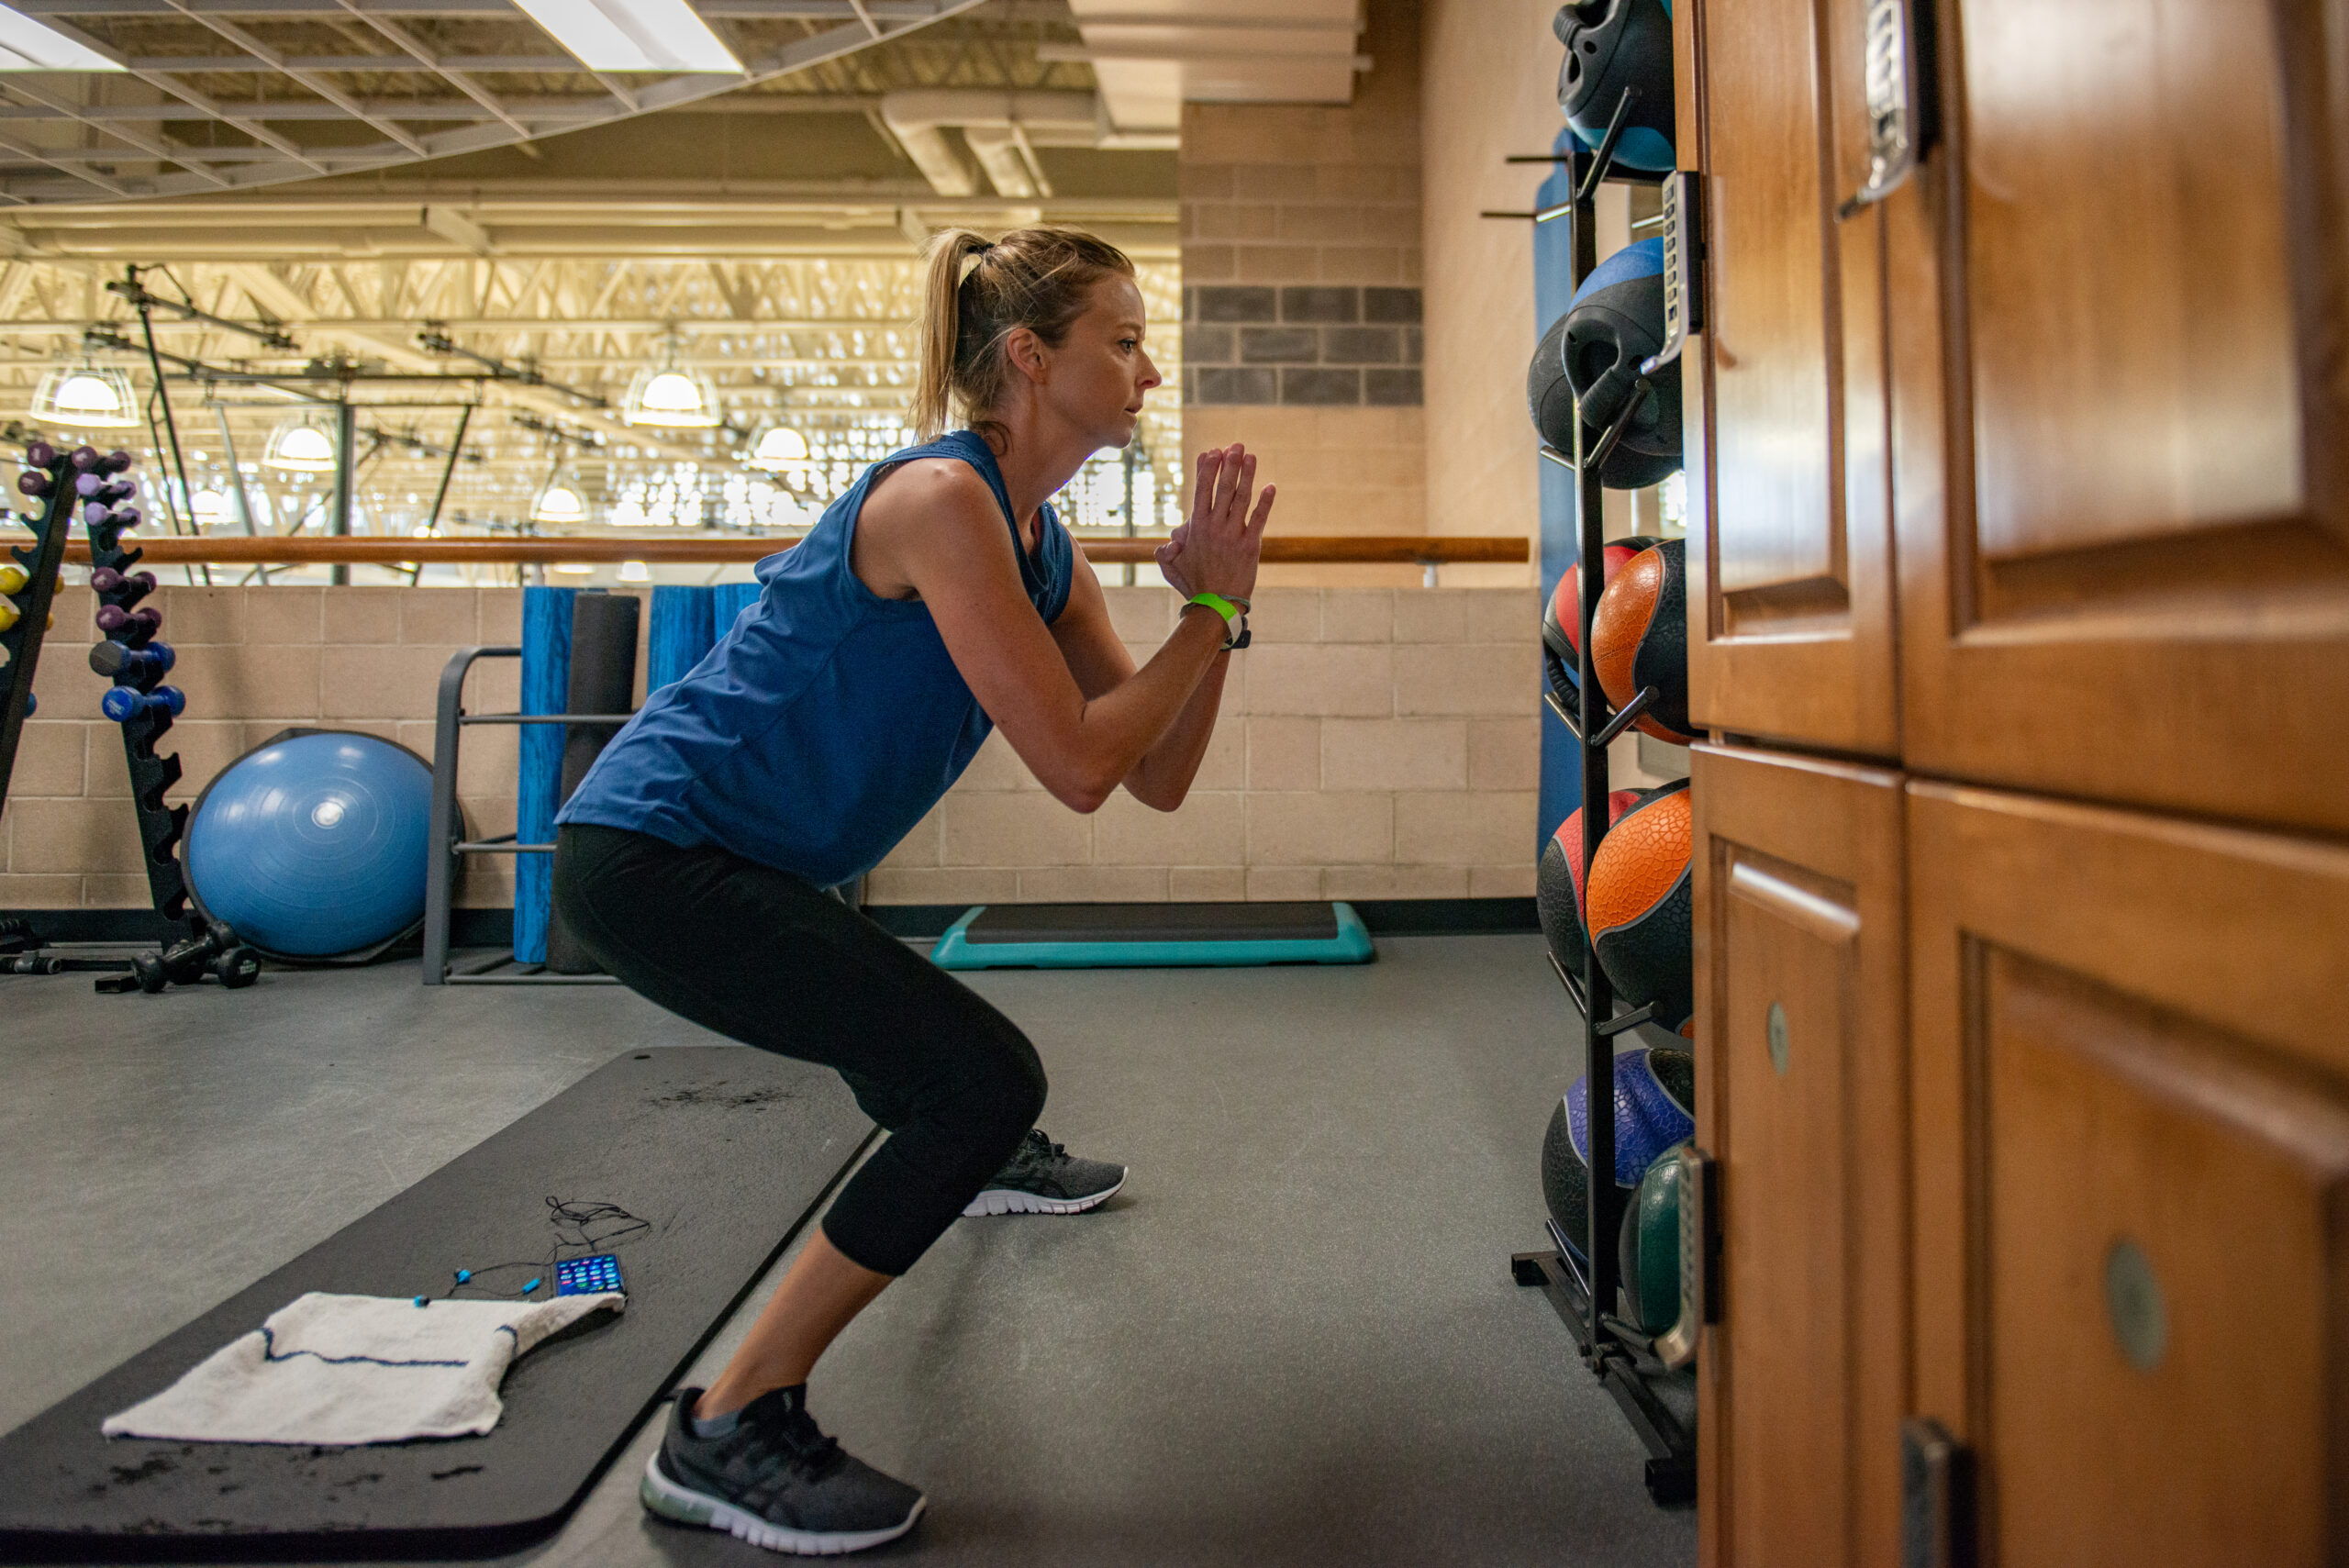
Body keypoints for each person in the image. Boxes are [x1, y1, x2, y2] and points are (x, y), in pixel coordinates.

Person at [550, 226, 1275, 1555]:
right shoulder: (940, 504)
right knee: (978, 1078)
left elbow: (1152, 773)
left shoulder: (1042, 543)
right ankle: (728, 1421)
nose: (1148, 371)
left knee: (943, 1066)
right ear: (1029, 357)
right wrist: (1207, 616)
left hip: (746, 863)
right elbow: (1075, 761)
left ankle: (979, 1159)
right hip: (648, 852)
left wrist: (1218, 616)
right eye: (1122, 340)